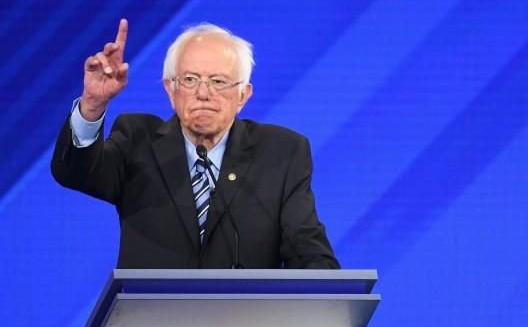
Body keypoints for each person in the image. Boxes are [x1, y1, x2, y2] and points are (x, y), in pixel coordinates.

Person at [52, 19, 339, 270]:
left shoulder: (281, 153)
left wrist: (328, 303)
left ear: (243, 95)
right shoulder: (137, 140)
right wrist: (92, 104)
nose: (203, 93)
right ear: (171, 89)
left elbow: (307, 249)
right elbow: (74, 172)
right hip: (151, 325)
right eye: (190, 79)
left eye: (218, 81)